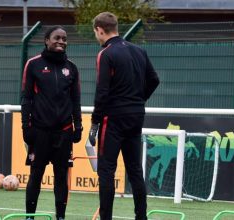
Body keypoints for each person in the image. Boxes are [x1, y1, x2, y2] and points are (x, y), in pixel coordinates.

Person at [88, 12, 160, 220]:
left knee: (106, 171)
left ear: (100, 30)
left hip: (113, 119)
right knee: (135, 169)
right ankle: (141, 217)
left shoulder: (106, 53)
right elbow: (154, 80)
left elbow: (101, 93)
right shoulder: (139, 51)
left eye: (96, 33)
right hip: (136, 115)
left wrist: (95, 123)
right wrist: (139, 99)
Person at [21, 25, 82, 220]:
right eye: (57, 38)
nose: (61, 41)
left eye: (64, 39)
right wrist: (26, 127)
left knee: (61, 176)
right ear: (46, 40)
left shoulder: (71, 68)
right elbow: (26, 99)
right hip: (40, 131)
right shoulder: (33, 64)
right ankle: (30, 216)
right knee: (36, 175)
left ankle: (60, 217)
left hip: (64, 132)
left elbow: (76, 101)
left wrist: (78, 125)